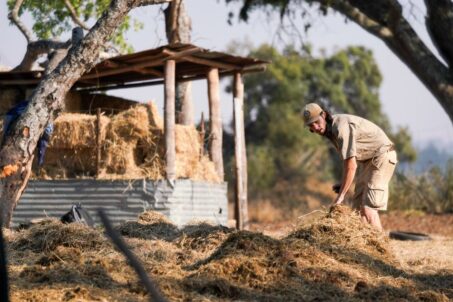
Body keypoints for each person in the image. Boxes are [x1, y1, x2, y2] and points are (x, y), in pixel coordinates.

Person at [302, 103, 397, 231]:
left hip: (382, 157)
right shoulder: (330, 131)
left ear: (323, 115)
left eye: (317, 122)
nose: (316, 127)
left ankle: (383, 249)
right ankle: (367, 249)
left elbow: (351, 166)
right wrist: (343, 184)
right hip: (368, 161)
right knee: (358, 212)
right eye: (311, 125)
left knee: (368, 209)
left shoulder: (340, 128)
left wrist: (341, 196)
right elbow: (349, 162)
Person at [2, 100, 53, 166]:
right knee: (7, 134)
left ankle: (40, 163)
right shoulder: (38, 107)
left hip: (14, 115)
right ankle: (40, 163)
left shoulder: (42, 109)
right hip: (12, 115)